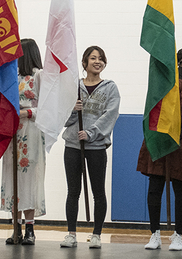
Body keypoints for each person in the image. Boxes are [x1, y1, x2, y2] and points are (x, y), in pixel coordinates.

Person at [60, 46, 120, 249]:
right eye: (93, 58)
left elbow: (110, 115)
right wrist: (72, 109)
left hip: (96, 147)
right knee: (73, 191)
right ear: (84, 62)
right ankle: (71, 234)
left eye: (101, 58)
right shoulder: (74, 87)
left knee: (98, 191)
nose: (97, 61)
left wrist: (91, 133)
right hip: (73, 145)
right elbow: (64, 119)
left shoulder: (110, 87)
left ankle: (96, 234)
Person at [1, 38, 45, 245]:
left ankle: (30, 228)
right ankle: (15, 227)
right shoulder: (11, 76)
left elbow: (46, 107)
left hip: (31, 130)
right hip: (11, 132)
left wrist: (27, 112)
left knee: (29, 179)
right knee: (12, 177)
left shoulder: (39, 76)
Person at [137, 49, 182, 251]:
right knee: (155, 189)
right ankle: (154, 233)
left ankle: (179, 234)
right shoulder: (161, 84)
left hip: (179, 143)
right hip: (159, 140)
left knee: (180, 191)